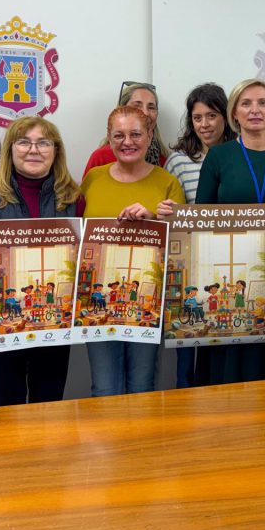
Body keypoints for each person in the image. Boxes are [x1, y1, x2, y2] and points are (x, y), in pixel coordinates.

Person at [0, 116, 84, 407]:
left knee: (49, 406)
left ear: (56, 151)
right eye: (24, 142)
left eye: (43, 143)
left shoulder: (74, 199)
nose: (33, 150)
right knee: (4, 408)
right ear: (10, 150)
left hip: (53, 323)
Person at [194, 78, 265, 384]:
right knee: (228, 355)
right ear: (235, 113)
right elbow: (201, 216)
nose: (255, 110)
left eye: (262, 103)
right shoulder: (218, 156)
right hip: (227, 269)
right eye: (246, 103)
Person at [82, 105, 186, 396]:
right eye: (119, 135)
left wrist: (155, 220)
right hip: (98, 301)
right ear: (109, 137)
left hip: (148, 301)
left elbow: (181, 246)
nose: (127, 142)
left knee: (142, 386)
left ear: (150, 135)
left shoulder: (168, 183)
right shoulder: (92, 179)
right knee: (104, 387)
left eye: (136, 134)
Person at [163, 83, 236, 387]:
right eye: (197, 118)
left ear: (227, 117)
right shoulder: (179, 161)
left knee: (222, 345)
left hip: (230, 264)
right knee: (186, 347)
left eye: (212, 115)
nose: (204, 124)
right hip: (192, 265)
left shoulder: (240, 156)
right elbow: (172, 214)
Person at [82, 81, 169, 176]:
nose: (145, 112)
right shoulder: (101, 158)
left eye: (151, 107)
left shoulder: (165, 161)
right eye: (137, 106)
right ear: (122, 110)